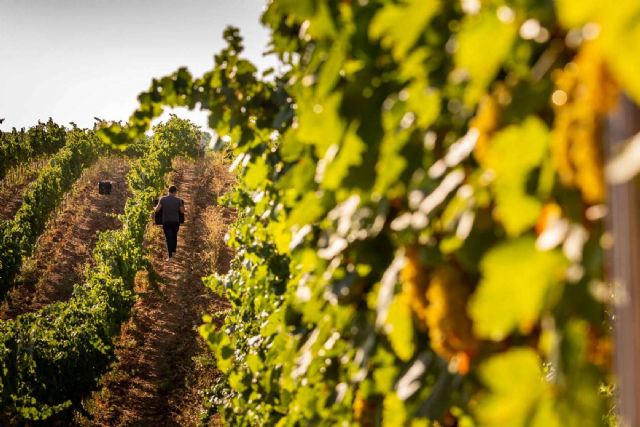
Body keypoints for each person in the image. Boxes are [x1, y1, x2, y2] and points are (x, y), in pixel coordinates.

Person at [155, 185, 185, 260]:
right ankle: (174, 251)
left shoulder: (162, 199)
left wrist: (154, 207)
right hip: (175, 221)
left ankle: (170, 256)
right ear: (175, 192)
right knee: (174, 236)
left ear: (168, 191)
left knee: (168, 238)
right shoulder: (179, 200)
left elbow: (157, 210)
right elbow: (182, 211)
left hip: (166, 221)